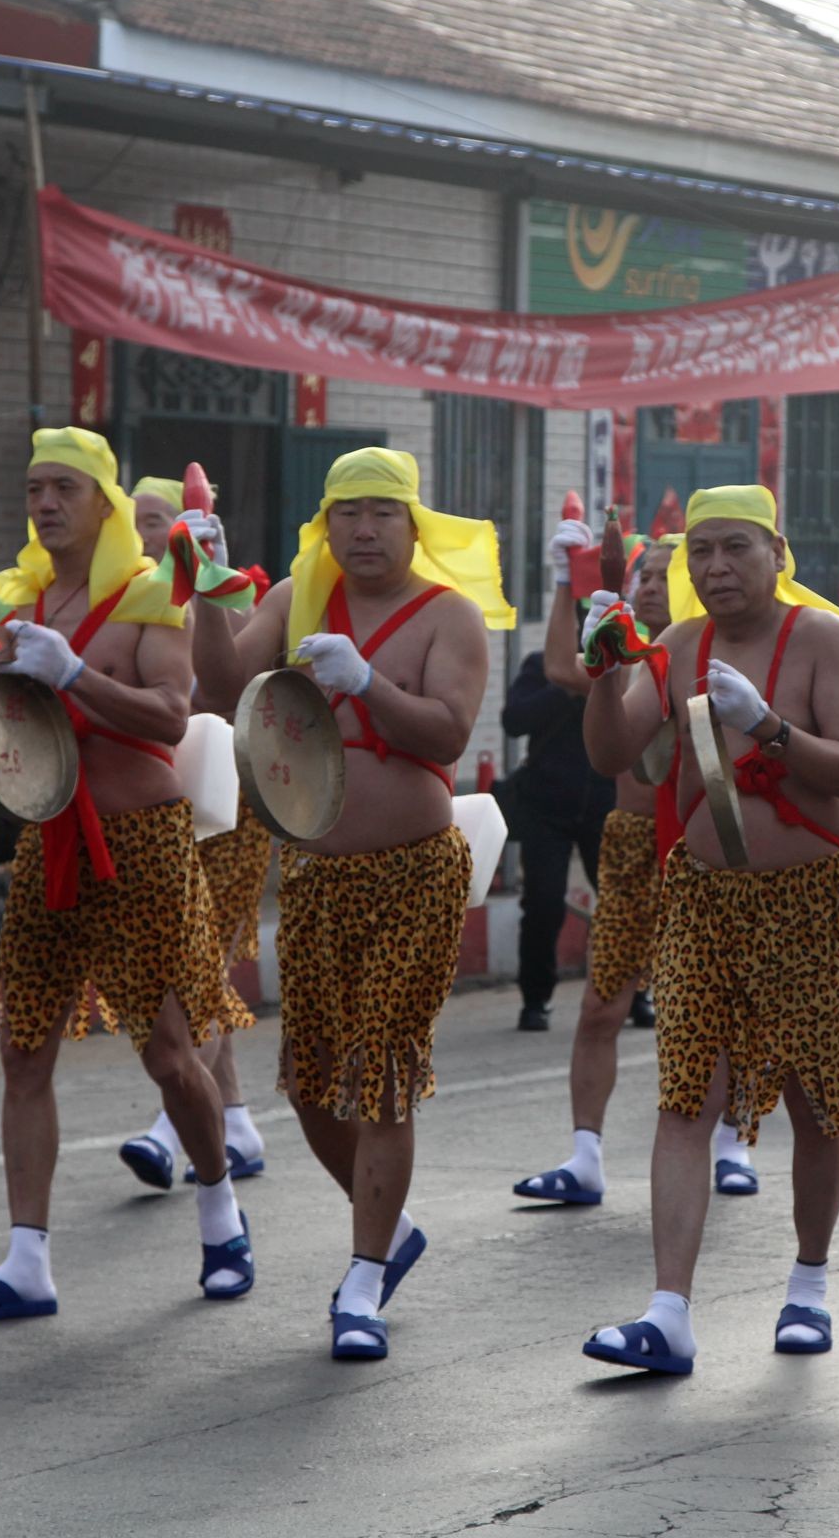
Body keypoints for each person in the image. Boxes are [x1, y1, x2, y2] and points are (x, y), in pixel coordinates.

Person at [577, 485, 839, 1375]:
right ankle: (668, 1314)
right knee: (685, 1100)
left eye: (736, 548)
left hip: (808, 898)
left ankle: (807, 1285)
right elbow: (614, 753)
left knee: (817, 1106)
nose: (716, 568)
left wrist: (766, 726)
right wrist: (607, 668)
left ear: (777, 548)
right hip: (700, 901)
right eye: (701, 553)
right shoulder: (679, 643)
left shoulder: (823, 638)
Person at [0, 428, 254, 1322]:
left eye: (64, 487)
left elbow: (174, 714)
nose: (45, 503)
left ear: (103, 502)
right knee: (23, 1046)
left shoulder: (149, 592)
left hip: (142, 841)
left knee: (169, 1054)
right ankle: (27, 1262)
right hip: (48, 841)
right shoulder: (21, 594)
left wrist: (75, 675)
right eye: (34, 488)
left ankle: (221, 1210)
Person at [192, 447, 504, 1359]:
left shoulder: (449, 615)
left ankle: (362, 1277)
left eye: (383, 513)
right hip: (318, 875)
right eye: (347, 514)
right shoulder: (296, 599)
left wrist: (368, 682)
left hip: (414, 871)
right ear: (325, 525)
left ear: (414, 524)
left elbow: (447, 730)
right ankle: (392, 1228)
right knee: (311, 1084)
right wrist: (205, 593)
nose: (364, 531)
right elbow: (218, 691)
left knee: (383, 1075)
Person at [112, 475, 272, 1185]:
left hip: (229, 803)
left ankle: (171, 1128)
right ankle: (233, 1119)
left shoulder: (235, 590)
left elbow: (231, 679)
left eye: (162, 520)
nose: (149, 533)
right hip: (158, 812)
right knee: (196, 971)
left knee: (207, 962)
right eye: (140, 520)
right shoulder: (121, 606)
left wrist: (214, 585)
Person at [513, 528, 674, 1207]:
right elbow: (558, 669)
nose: (655, 585)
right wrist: (564, 582)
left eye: (669, 574)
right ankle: (585, 1158)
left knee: (720, 1013)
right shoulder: (627, 644)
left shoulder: (724, 645)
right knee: (602, 1003)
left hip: (711, 846)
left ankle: (731, 1143)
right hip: (633, 840)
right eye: (647, 576)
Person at [500, 631, 613, 1034]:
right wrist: (568, 686)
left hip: (605, 806)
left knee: (624, 906)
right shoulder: (540, 667)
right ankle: (536, 999)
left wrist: (600, 683)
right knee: (544, 905)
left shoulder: (618, 673)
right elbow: (513, 720)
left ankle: (636, 993)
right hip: (545, 807)